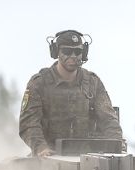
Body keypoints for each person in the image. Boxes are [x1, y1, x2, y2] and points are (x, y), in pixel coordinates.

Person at [19, 29, 123, 157]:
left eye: (78, 51)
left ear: (83, 53)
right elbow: (29, 123)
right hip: (48, 156)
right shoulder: (40, 83)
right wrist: (41, 147)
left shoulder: (92, 82)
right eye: (67, 51)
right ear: (56, 52)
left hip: (87, 156)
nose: (73, 56)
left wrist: (116, 146)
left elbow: (109, 120)